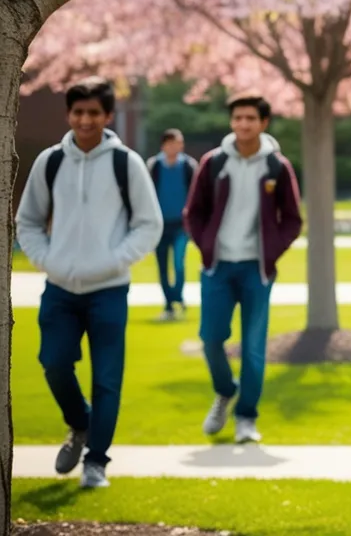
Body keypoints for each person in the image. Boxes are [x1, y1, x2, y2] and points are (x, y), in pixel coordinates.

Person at [15, 77, 163, 488]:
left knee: (107, 378)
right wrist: (47, 260)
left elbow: (148, 225)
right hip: (60, 288)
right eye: (78, 112)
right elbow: (27, 220)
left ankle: (96, 461)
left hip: (109, 290)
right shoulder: (51, 161)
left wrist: (114, 261)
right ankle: (79, 425)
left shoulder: (125, 162)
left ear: (108, 116)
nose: (85, 120)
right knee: (54, 363)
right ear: (69, 114)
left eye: (94, 113)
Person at [184, 93, 302, 444]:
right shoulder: (214, 162)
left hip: (256, 271)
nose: (243, 124)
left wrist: (272, 251)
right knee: (210, 339)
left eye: (250, 118)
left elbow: (292, 220)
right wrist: (207, 246)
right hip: (218, 268)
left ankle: (246, 417)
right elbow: (194, 212)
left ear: (263, 123)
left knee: (252, 345)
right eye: (237, 118)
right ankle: (225, 390)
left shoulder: (277, 167)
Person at [148, 128, 198, 321]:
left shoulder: (188, 166)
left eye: (179, 142)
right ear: (164, 145)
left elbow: (195, 196)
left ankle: (177, 295)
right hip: (159, 225)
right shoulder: (154, 166)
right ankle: (169, 304)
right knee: (162, 266)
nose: (176, 146)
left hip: (181, 225)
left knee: (178, 263)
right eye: (172, 143)